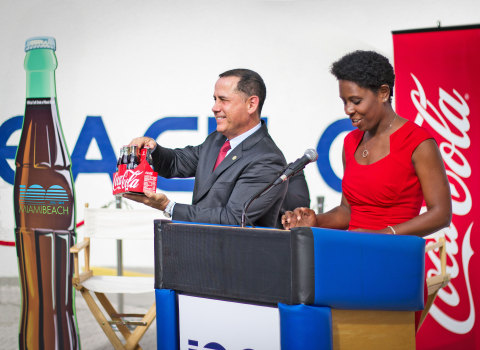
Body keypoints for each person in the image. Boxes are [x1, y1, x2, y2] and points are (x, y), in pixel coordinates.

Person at [282, 50, 452, 237]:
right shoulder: (350, 142)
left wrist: (383, 235)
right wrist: (316, 221)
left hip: (396, 255)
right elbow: (347, 211)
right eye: (344, 101)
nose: (348, 110)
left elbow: (441, 214)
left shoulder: (418, 142)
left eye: (356, 101)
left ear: (383, 93)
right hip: (354, 251)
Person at [124, 68, 308, 228]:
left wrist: (169, 207)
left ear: (251, 104)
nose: (214, 107)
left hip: (236, 262)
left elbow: (235, 219)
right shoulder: (216, 140)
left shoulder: (267, 159)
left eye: (223, 100)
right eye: (214, 99)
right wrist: (151, 151)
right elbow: (177, 163)